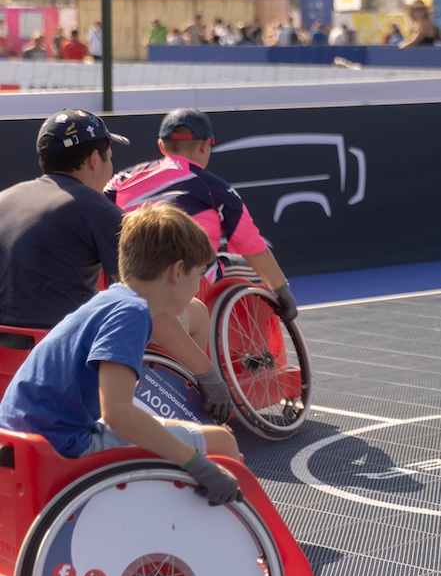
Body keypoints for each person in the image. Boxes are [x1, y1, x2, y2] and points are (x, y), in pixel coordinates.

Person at [0, 203, 242, 506]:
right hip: (61, 445)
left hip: (26, 433)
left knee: (188, 434)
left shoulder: (113, 300)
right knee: (222, 442)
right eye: (198, 275)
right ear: (177, 271)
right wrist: (198, 464)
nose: (198, 286)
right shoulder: (132, 312)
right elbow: (117, 414)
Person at [106, 108, 298, 322]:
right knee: (253, 274)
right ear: (205, 146)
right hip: (190, 284)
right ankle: (257, 353)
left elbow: (97, 212)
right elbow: (251, 246)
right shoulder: (217, 188)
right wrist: (283, 291)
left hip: (130, 279)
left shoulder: (122, 179)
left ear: (162, 146)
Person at [0, 109, 129, 330]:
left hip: (5, 353)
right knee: (195, 312)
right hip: (64, 348)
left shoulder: (4, 199)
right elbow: (140, 296)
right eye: (110, 157)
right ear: (94, 160)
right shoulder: (100, 210)